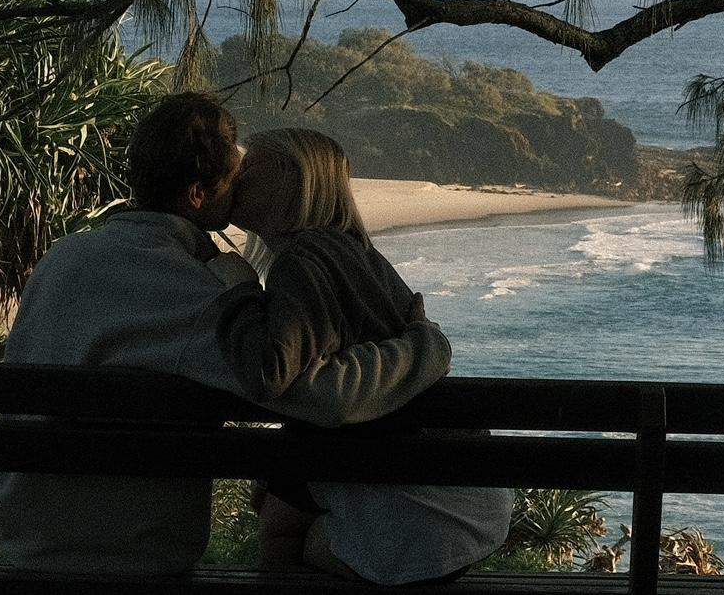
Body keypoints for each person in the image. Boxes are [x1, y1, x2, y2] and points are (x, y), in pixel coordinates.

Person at [0, 93, 452, 576]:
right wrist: (425, 347)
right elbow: (324, 398)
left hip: (28, 532)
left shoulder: (63, 257)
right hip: (130, 548)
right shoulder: (196, 289)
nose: (242, 189)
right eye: (236, 179)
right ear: (199, 194)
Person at [219, 126, 514, 585]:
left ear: (291, 180)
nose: (237, 179)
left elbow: (271, 372)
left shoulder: (304, 259)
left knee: (282, 532)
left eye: (251, 169)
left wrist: (235, 290)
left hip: (425, 513)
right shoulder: (358, 254)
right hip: (469, 500)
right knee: (281, 505)